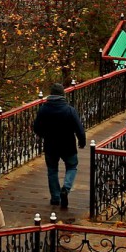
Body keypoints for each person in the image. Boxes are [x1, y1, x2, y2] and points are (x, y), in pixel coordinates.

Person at [32, 83, 87, 213]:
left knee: (52, 170)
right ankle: (66, 189)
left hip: (51, 145)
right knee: (72, 166)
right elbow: (79, 128)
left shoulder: (43, 109)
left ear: (51, 95)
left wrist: (45, 135)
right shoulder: (69, 110)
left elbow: (36, 128)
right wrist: (82, 141)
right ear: (63, 95)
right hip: (68, 145)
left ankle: (55, 198)